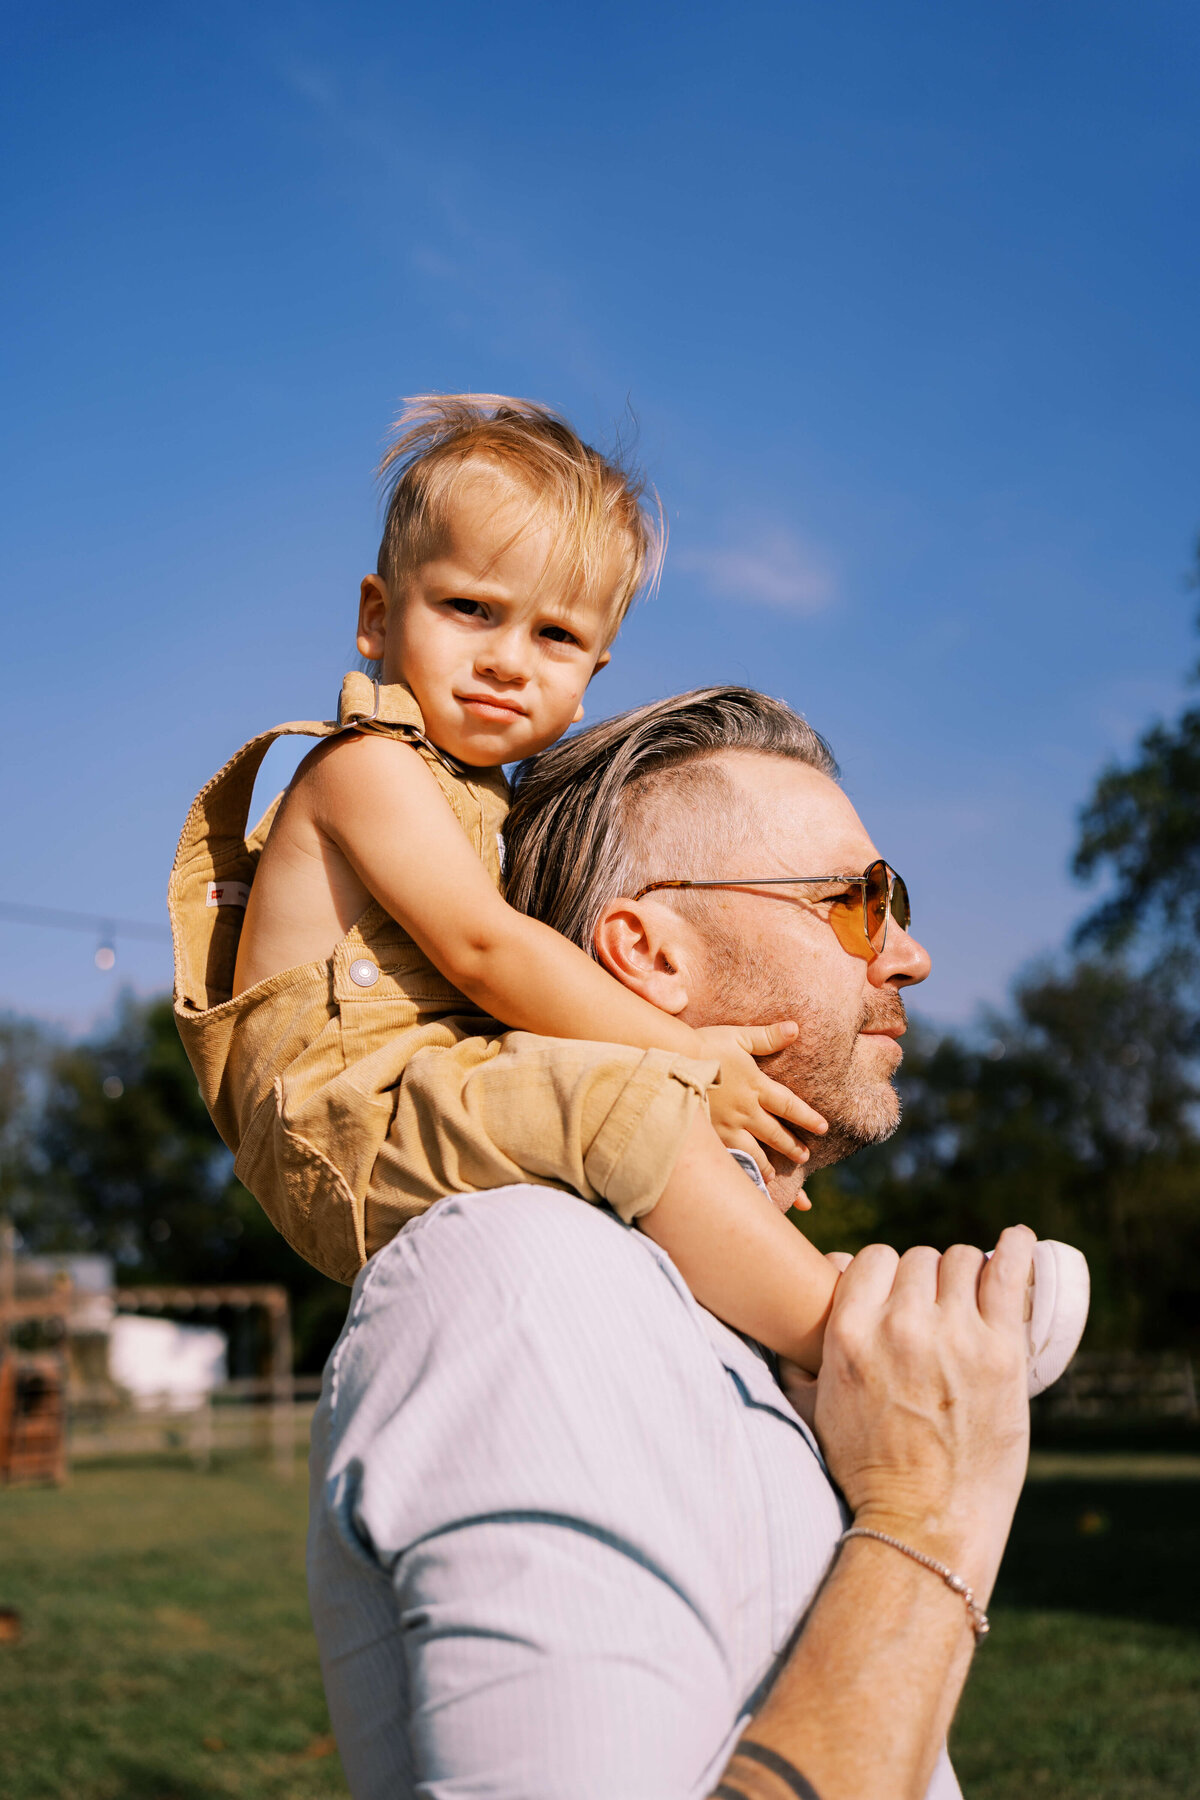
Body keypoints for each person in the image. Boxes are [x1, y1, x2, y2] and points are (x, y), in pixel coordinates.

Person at [169, 396, 1085, 1383]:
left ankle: (789, 1327)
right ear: (377, 617)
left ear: (595, 668)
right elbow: (489, 950)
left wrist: (705, 1106)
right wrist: (689, 1061)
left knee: (649, 1111)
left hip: (408, 1097)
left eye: (555, 636)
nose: (507, 659)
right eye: (470, 608)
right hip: (344, 1126)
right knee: (634, 1105)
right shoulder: (368, 769)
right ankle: (861, 1343)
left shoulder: (472, 801)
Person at [305, 687, 1075, 1798]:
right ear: (649, 953)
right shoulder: (526, 1285)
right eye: (857, 902)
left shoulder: (679, 1304)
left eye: (894, 899)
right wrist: (928, 1512)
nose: (908, 954)